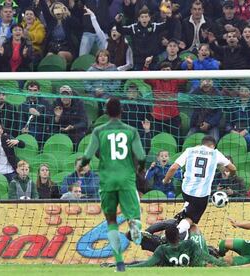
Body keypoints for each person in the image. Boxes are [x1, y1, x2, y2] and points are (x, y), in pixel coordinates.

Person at [80, 97, 146, 272]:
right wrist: (140, 170)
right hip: (126, 179)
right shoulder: (131, 131)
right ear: (121, 111)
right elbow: (141, 156)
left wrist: (81, 166)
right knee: (135, 215)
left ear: (106, 112)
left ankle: (119, 264)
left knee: (111, 221)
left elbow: (87, 155)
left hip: (107, 180)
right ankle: (134, 227)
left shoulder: (99, 131)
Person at [163, 136, 236, 235]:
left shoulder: (190, 150)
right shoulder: (215, 153)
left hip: (186, 191)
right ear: (213, 146)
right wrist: (231, 175)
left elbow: (173, 168)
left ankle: (183, 212)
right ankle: (172, 235)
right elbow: (233, 168)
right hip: (201, 196)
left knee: (190, 205)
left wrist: (166, 180)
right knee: (190, 219)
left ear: (202, 143)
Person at [128, 225, 226, 267]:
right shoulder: (189, 244)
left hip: (163, 253)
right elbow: (206, 256)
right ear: (178, 235)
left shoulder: (161, 249)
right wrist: (222, 264)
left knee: (141, 262)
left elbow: (147, 264)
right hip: (186, 261)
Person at [144, 61, 186, 140]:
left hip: (173, 116)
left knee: (178, 139)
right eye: (163, 70)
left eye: (168, 70)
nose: (166, 72)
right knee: (155, 139)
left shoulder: (175, 80)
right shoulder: (155, 80)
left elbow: (186, 78)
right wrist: (146, 65)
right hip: (157, 117)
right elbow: (146, 78)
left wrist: (190, 67)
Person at [226, 86, 250, 150]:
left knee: (248, 139)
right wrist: (231, 130)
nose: (243, 93)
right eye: (241, 91)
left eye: (246, 91)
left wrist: (246, 131)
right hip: (235, 131)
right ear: (238, 92)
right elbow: (227, 123)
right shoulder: (232, 103)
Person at [20, 81, 52, 147]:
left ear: (38, 91)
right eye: (30, 90)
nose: (32, 92)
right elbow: (21, 120)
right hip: (27, 131)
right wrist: (22, 128)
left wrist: (39, 114)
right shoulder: (23, 105)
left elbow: (49, 118)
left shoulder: (45, 103)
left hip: (42, 131)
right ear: (26, 91)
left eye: (35, 90)